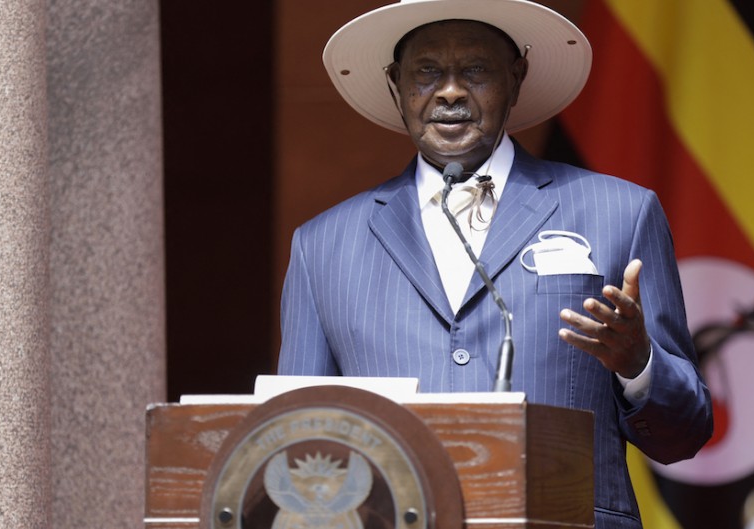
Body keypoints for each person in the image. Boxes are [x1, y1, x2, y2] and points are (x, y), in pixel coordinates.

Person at [277, 1, 713, 527]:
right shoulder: (322, 246)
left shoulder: (620, 212)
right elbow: (296, 442)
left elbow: (684, 435)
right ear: (397, 83)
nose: (451, 91)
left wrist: (638, 362)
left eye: (476, 70)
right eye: (427, 72)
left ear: (516, 76)